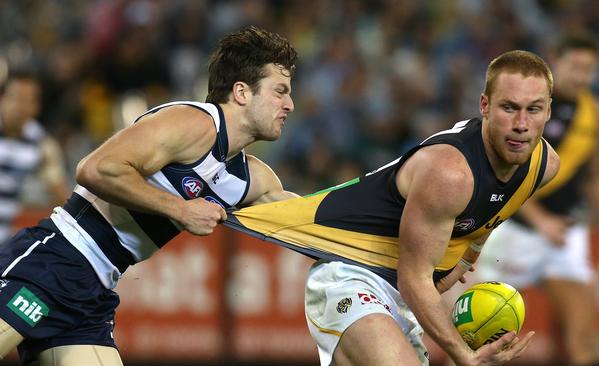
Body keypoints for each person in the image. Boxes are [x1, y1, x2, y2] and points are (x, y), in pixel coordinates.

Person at [224, 49, 560, 365]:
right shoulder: (450, 173)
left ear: (548, 111)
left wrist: (469, 253)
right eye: (509, 107)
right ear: (484, 106)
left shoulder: (543, 166)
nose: (521, 124)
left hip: (397, 293)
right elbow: (414, 278)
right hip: (352, 274)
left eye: (533, 109)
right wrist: (464, 355)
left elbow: (494, 206)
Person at [0, 26, 298, 366]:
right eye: (280, 91)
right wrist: (181, 210)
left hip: (93, 291)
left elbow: (305, 220)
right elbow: (95, 169)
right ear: (242, 92)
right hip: (56, 260)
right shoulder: (193, 123)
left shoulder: (252, 179)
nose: (289, 104)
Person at [475, 36, 599, 366]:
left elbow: (596, 182)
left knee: (585, 338)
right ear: (555, 62)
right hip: (513, 230)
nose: (582, 76)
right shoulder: (527, 108)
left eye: (589, 69)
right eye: (575, 66)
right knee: (485, 338)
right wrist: (540, 221)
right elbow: (502, 172)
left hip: (564, 234)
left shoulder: (595, 112)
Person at [0, 70, 69, 243]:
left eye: (28, 100)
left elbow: (60, 193)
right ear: (2, 99)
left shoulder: (41, 144)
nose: (20, 107)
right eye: (15, 98)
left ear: (37, 106)